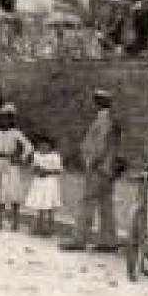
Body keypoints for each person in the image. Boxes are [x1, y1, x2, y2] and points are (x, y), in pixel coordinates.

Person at [63, 88, 121, 252]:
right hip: (107, 168)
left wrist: (92, 161)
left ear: (98, 103)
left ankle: (79, 239)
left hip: (98, 167)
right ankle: (109, 241)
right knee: (106, 204)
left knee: (87, 202)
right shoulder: (110, 119)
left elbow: (100, 145)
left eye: (95, 102)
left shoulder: (103, 120)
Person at [0, 103, 33, 231]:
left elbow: (28, 147)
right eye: (0, 118)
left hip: (11, 164)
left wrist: (20, 158)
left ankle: (15, 222)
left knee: (13, 192)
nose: (3, 121)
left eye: (6, 118)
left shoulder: (16, 133)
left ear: (11, 119)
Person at [22, 135, 64, 235]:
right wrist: (37, 171)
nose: (43, 147)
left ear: (50, 146)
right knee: (40, 205)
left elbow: (59, 170)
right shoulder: (36, 155)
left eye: (46, 145)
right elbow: (32, 168)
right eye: (41, 145)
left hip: (50, 182)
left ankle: (50, 228)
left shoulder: (55, 156)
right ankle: (39, 227)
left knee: (49, 206)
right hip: (39, 182)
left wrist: (47, 171)